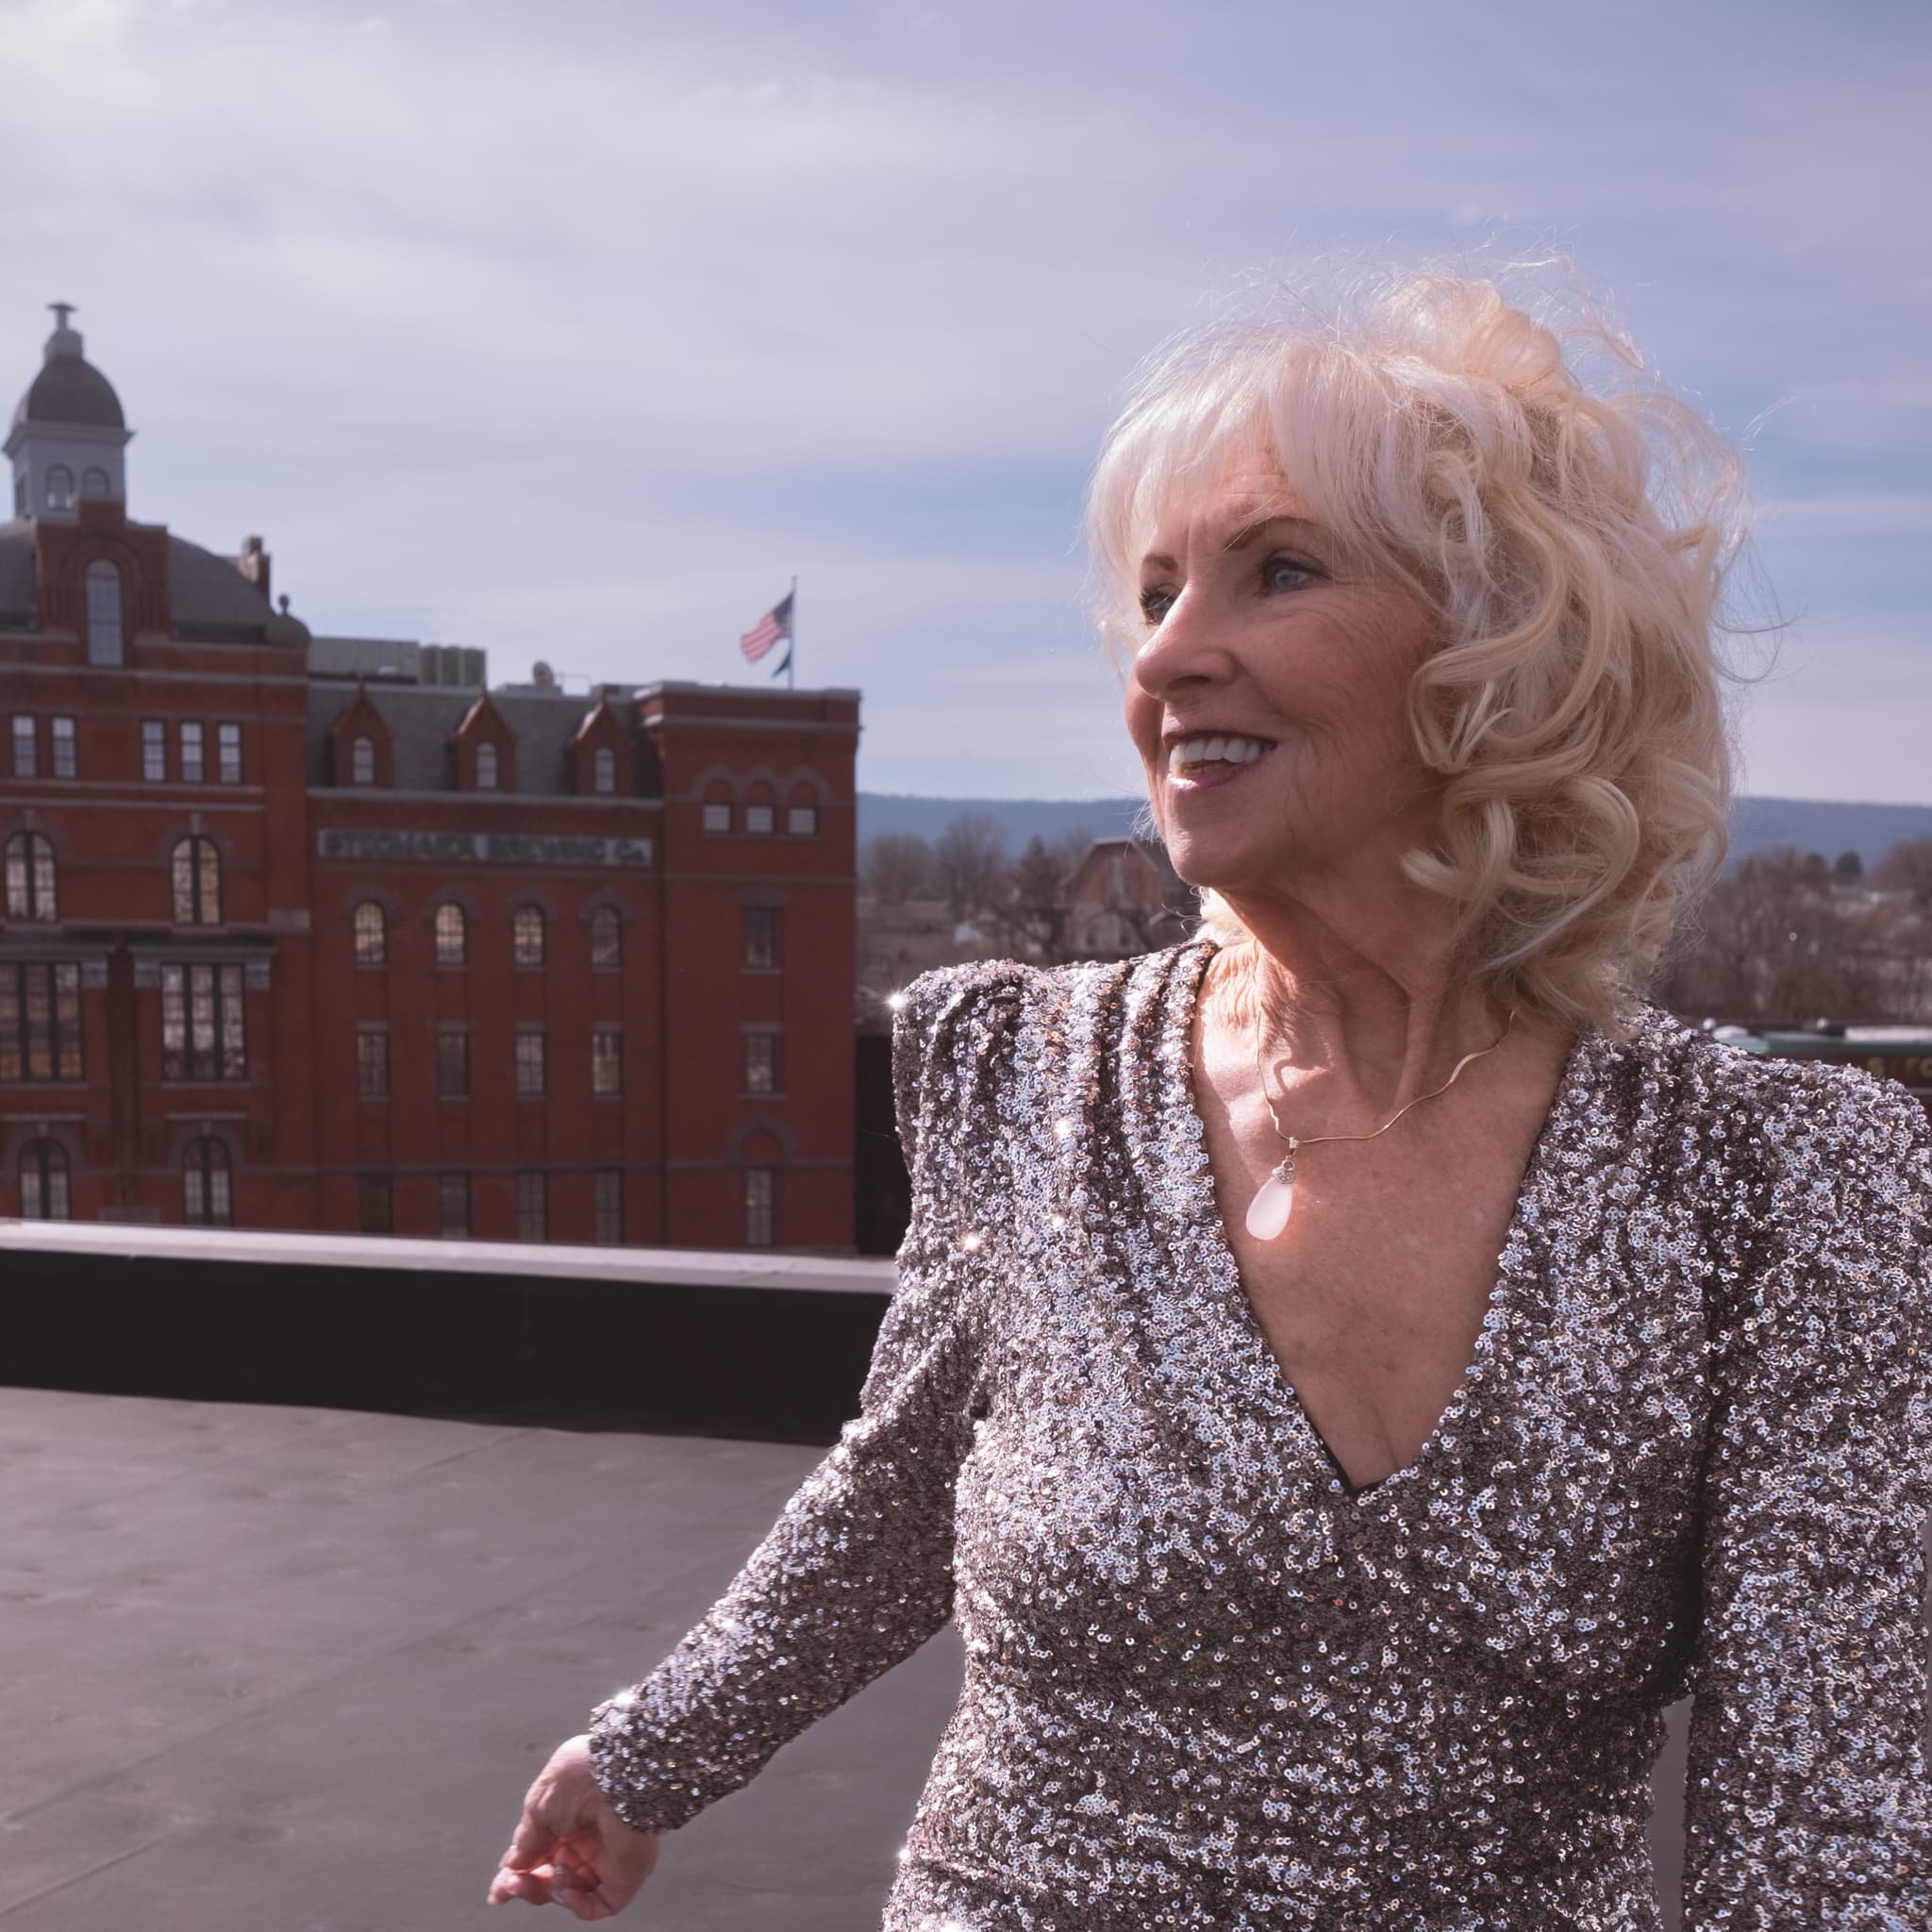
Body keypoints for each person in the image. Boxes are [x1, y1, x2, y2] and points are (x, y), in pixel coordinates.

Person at [487, 269, 1932, 1926]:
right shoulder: (1023, 1079)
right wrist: (648, 1752)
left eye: (1278, 571)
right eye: (1157, 592)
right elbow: (906, 1487)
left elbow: (1836, 1842)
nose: (1168, 654)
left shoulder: (1784, 1189)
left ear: (1502, 656)